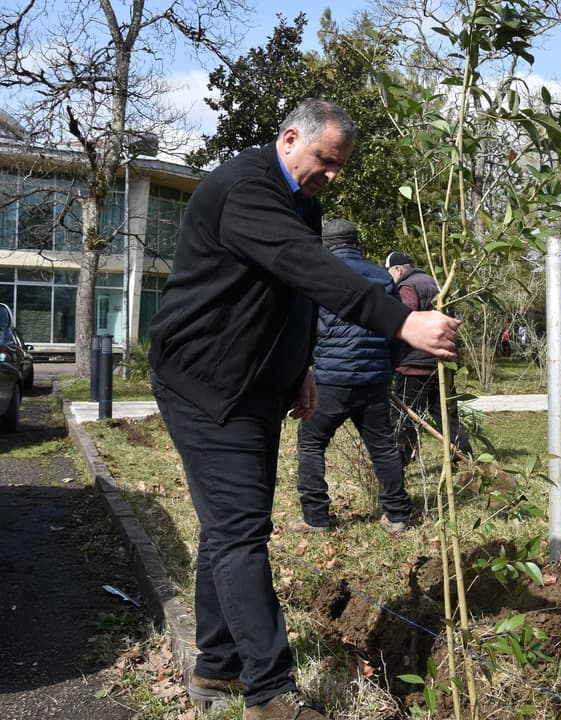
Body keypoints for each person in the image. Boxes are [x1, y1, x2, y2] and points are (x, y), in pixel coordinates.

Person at [148, 99, 460, 720]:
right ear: (291, 139)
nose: (333, 175)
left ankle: (215, 666)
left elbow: (290, 294)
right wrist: (402, 321)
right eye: (326, 160)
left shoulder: (301, 201)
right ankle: (270, 693)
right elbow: (312, 268)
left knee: (233, 524)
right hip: (205, 384)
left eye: (340, 165)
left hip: (258, 384)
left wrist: (303, 368)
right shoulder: (246, 188)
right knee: (241, 532)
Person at [293, 219, 413, 537]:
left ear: (326, 245)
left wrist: (303, 369)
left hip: (331, 379)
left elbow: (304, 328)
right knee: (384, 447)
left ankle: (316, 518)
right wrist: (388, 368)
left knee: (312, 444)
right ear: (356, 243)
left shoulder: (319, 274)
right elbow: (398, 327)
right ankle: (398, 516)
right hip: (374, 379)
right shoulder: (382, 277)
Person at [385, 250, 473, 463]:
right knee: (446, 416)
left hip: (414, 364)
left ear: (398, 269)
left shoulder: (407, 288)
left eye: (389, 273)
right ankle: (466, 460)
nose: (390, 279)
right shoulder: (436, 284)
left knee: (404, 417)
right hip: (442, 362)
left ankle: (398, 466)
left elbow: (404, 323)